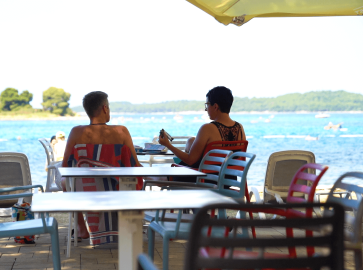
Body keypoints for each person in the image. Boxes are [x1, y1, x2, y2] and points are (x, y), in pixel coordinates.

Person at [60, 91, 142, 242]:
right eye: (109, 107)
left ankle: (82, 229)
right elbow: (134, 165)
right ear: (105, 108)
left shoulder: (76, 132)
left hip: (86, 191)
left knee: (65, 182)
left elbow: (65, 167)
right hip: (117, 189)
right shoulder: (121, 131)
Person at [158, 86, 246, 182]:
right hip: (229, 179)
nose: (206, 109)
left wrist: (167, 144)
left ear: (215, 106)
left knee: (163, 177)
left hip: (205, 179)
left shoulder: (207, 128)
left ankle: (143, 175)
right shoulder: (240, 128)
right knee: (191, 142)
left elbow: (190, 160)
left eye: (207, 105)